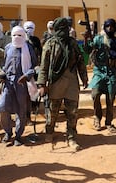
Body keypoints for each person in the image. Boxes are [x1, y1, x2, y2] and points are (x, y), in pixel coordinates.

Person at [37, 17, 88, 150]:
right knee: (52, 111)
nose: (64, 31)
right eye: (62, 29)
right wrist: (41, 84)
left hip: (71, 81)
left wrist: (84, 78)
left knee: (73, 111)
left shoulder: (73, 44)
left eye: (66, 29)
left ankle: (71, 136)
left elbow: (81, 62)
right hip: (55, 82)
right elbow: (44, 66)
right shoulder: (50, 44)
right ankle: (49, 131)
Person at [0, 26, 38, 146]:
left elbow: (35, 66)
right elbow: (5, 65)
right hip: (8, 82)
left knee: (21, 110)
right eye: (14, 35)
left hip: (22, 83)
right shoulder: (8, 47)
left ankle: (18, 136)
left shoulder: (28, 48)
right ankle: (8, 132)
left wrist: (27, 75)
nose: (17, 38)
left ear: (23, 36)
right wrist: (1, 75)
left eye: (19, 35)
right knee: (3, 108)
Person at [85, 18, 116, 133]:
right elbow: (88, 50)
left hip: (111, 71)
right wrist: (86, 39)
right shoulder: (98, 39)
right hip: (99, 71)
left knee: (110, 98)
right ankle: (97, 118)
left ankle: (109, 122)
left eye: (112, 27)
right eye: (108, 26)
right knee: (95, 94)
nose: (110, 29)